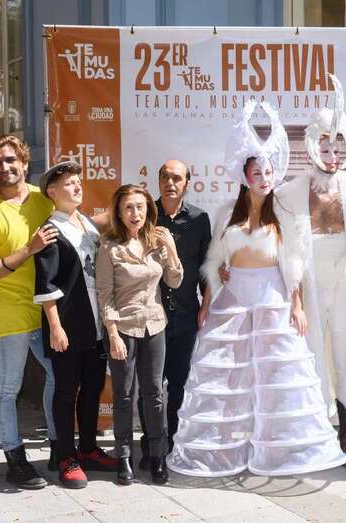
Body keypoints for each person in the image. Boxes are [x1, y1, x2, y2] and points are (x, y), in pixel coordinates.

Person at [167, 101, 346, 477]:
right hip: (232, 301)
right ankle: (231, 447)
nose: (263, 176)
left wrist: (296, 305)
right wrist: (208, 300)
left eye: (268, 170)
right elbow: (215, 262)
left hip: (272, 297)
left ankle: (277, 449)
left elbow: (293, 263)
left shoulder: (284, 212)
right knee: (231, 375)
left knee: (274, 375)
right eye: (256, 171)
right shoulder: (225, 212)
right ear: (244, 175)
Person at [274, 74, 346, 466]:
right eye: (324, 144)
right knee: (311, 352)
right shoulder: (289, 193)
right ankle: (315, 430)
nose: (331, 153)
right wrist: (294, 296)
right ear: (312, 144)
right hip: (312, 278)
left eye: (338, 145)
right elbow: (284, 249)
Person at [0, 134, 58, 489]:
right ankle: (14, 459)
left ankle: (57, 446)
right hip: (7, 313)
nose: (4, 167)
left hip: (44, 309)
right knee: (9, 388)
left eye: (10, 160)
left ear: (24, 163)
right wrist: (28, 249)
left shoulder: (41, 199)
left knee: (59, 376)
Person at [33, 161, 118, 489]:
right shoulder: (50, 231)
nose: (76, 187)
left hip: (94, 327)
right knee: (66, 392)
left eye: (78, 182)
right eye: (68, 184)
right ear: (52, 193)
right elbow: (45, 284)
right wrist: (55, 327)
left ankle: (89, 449)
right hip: (67, 328)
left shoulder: (86, 224)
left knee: (93, 388)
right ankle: (66, 457)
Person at [95, 184, 184, 485]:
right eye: (128, 208)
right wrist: (112, 334)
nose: (135, 213)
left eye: (140, 207)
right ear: (119, 213)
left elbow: (174, 281)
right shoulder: (109, 246)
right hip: (123, 329)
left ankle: (158, 457)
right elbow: (104, 294)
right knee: (123, 396)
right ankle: (124, 459)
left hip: (155, 325)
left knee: (154, 395)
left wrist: (170, 248)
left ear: (148, 209)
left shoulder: (155, 241)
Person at [136, 160, 211, 471]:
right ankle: (151, 444)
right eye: (164, 176)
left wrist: (205, 306)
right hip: (150, 315)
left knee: (178, 382)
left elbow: (207, 268)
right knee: (150, 385)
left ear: (187, 183)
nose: (170, 182)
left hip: (185, 315)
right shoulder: (143, 216)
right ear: (158, 180)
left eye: (176, 178)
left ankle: (173, 439)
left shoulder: (199, 219)